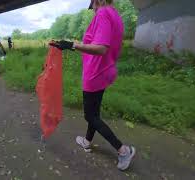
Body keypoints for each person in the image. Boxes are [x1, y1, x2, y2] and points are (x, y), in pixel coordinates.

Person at [51, 0, 135, 171]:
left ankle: (123, 150)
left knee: (90, 116)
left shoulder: (103, 13)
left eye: (93, 6)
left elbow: (101, 48)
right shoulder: (115, 15)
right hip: (105, 70)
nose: (93, 10)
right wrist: (70, 45)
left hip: (95, 72)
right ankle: (87, 141)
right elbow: (101, 45)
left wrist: (72, 45)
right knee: (94, 113)